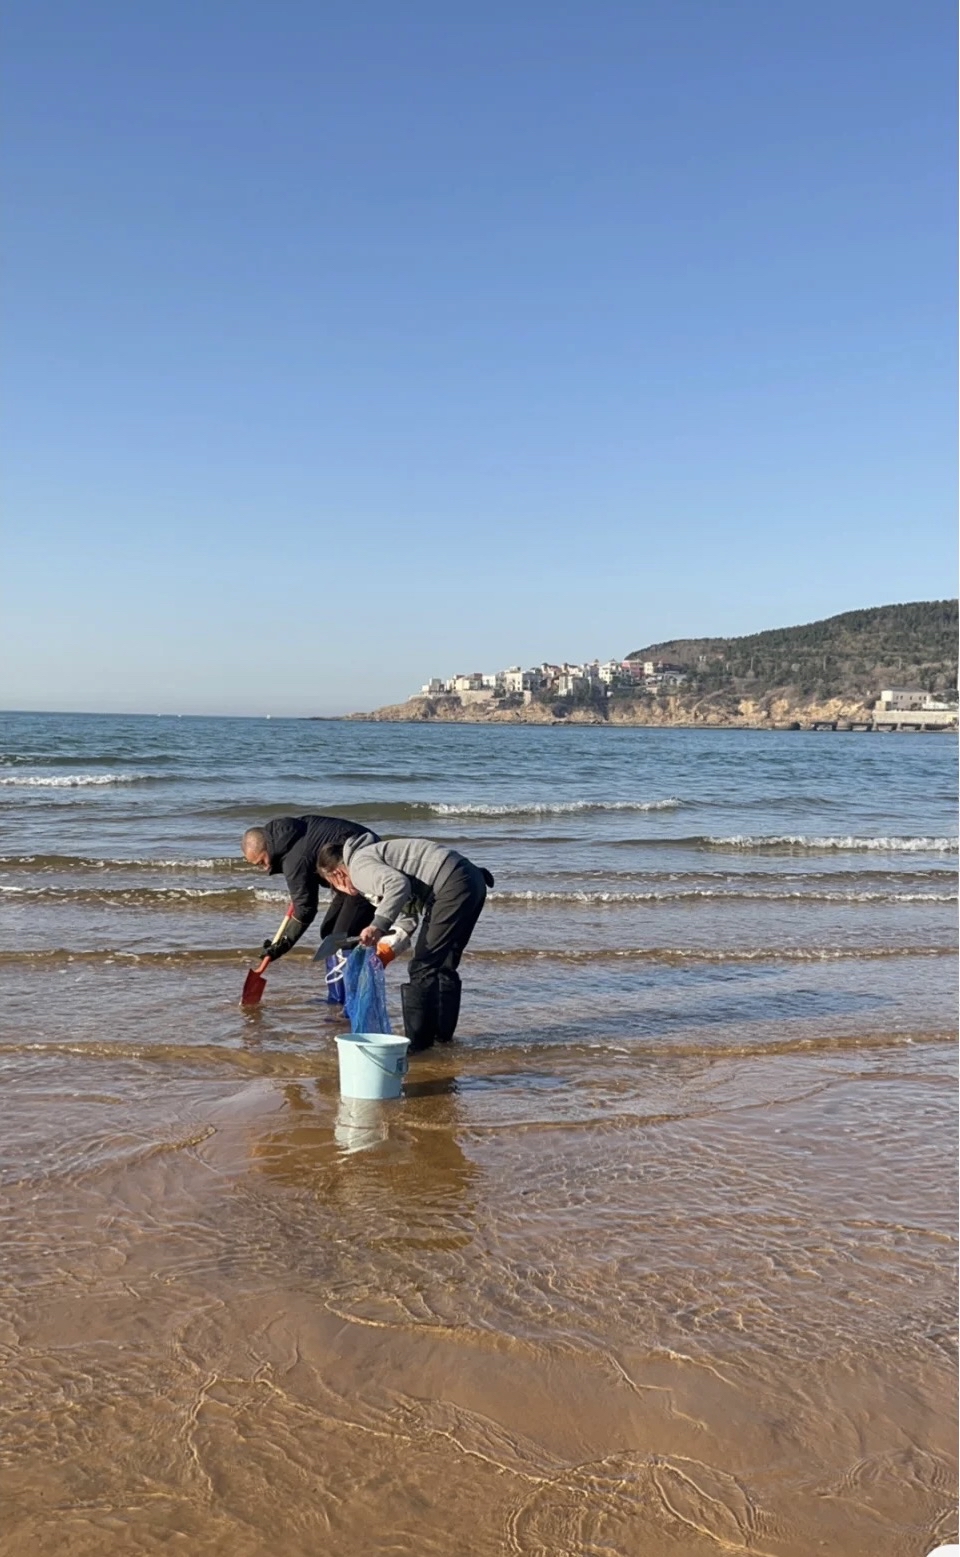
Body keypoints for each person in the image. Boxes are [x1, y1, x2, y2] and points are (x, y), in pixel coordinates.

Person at [316, 831, 493, 1053]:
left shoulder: (359, 866)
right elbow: (407, 917)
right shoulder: (373, 857)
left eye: (332, 884)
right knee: (444, 965)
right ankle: (442, 1039)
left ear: (337, 874)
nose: (339, 890)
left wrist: (377, 925)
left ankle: (418, 1047)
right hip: (471, 880)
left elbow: (397, 885)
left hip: (451, 884)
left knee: (422, 968)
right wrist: (386, 952)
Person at [241, 815, 377, 968]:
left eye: (262, 862)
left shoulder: (295, 861)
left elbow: (305, 910)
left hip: (366, 870)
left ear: (267, 847)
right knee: (328, 934)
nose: (265, 868)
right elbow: (304, 895)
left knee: (340, 939)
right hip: (346, 872)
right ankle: (351, 974)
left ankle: (357, 981)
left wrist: (282, 946)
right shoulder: (289, 835)